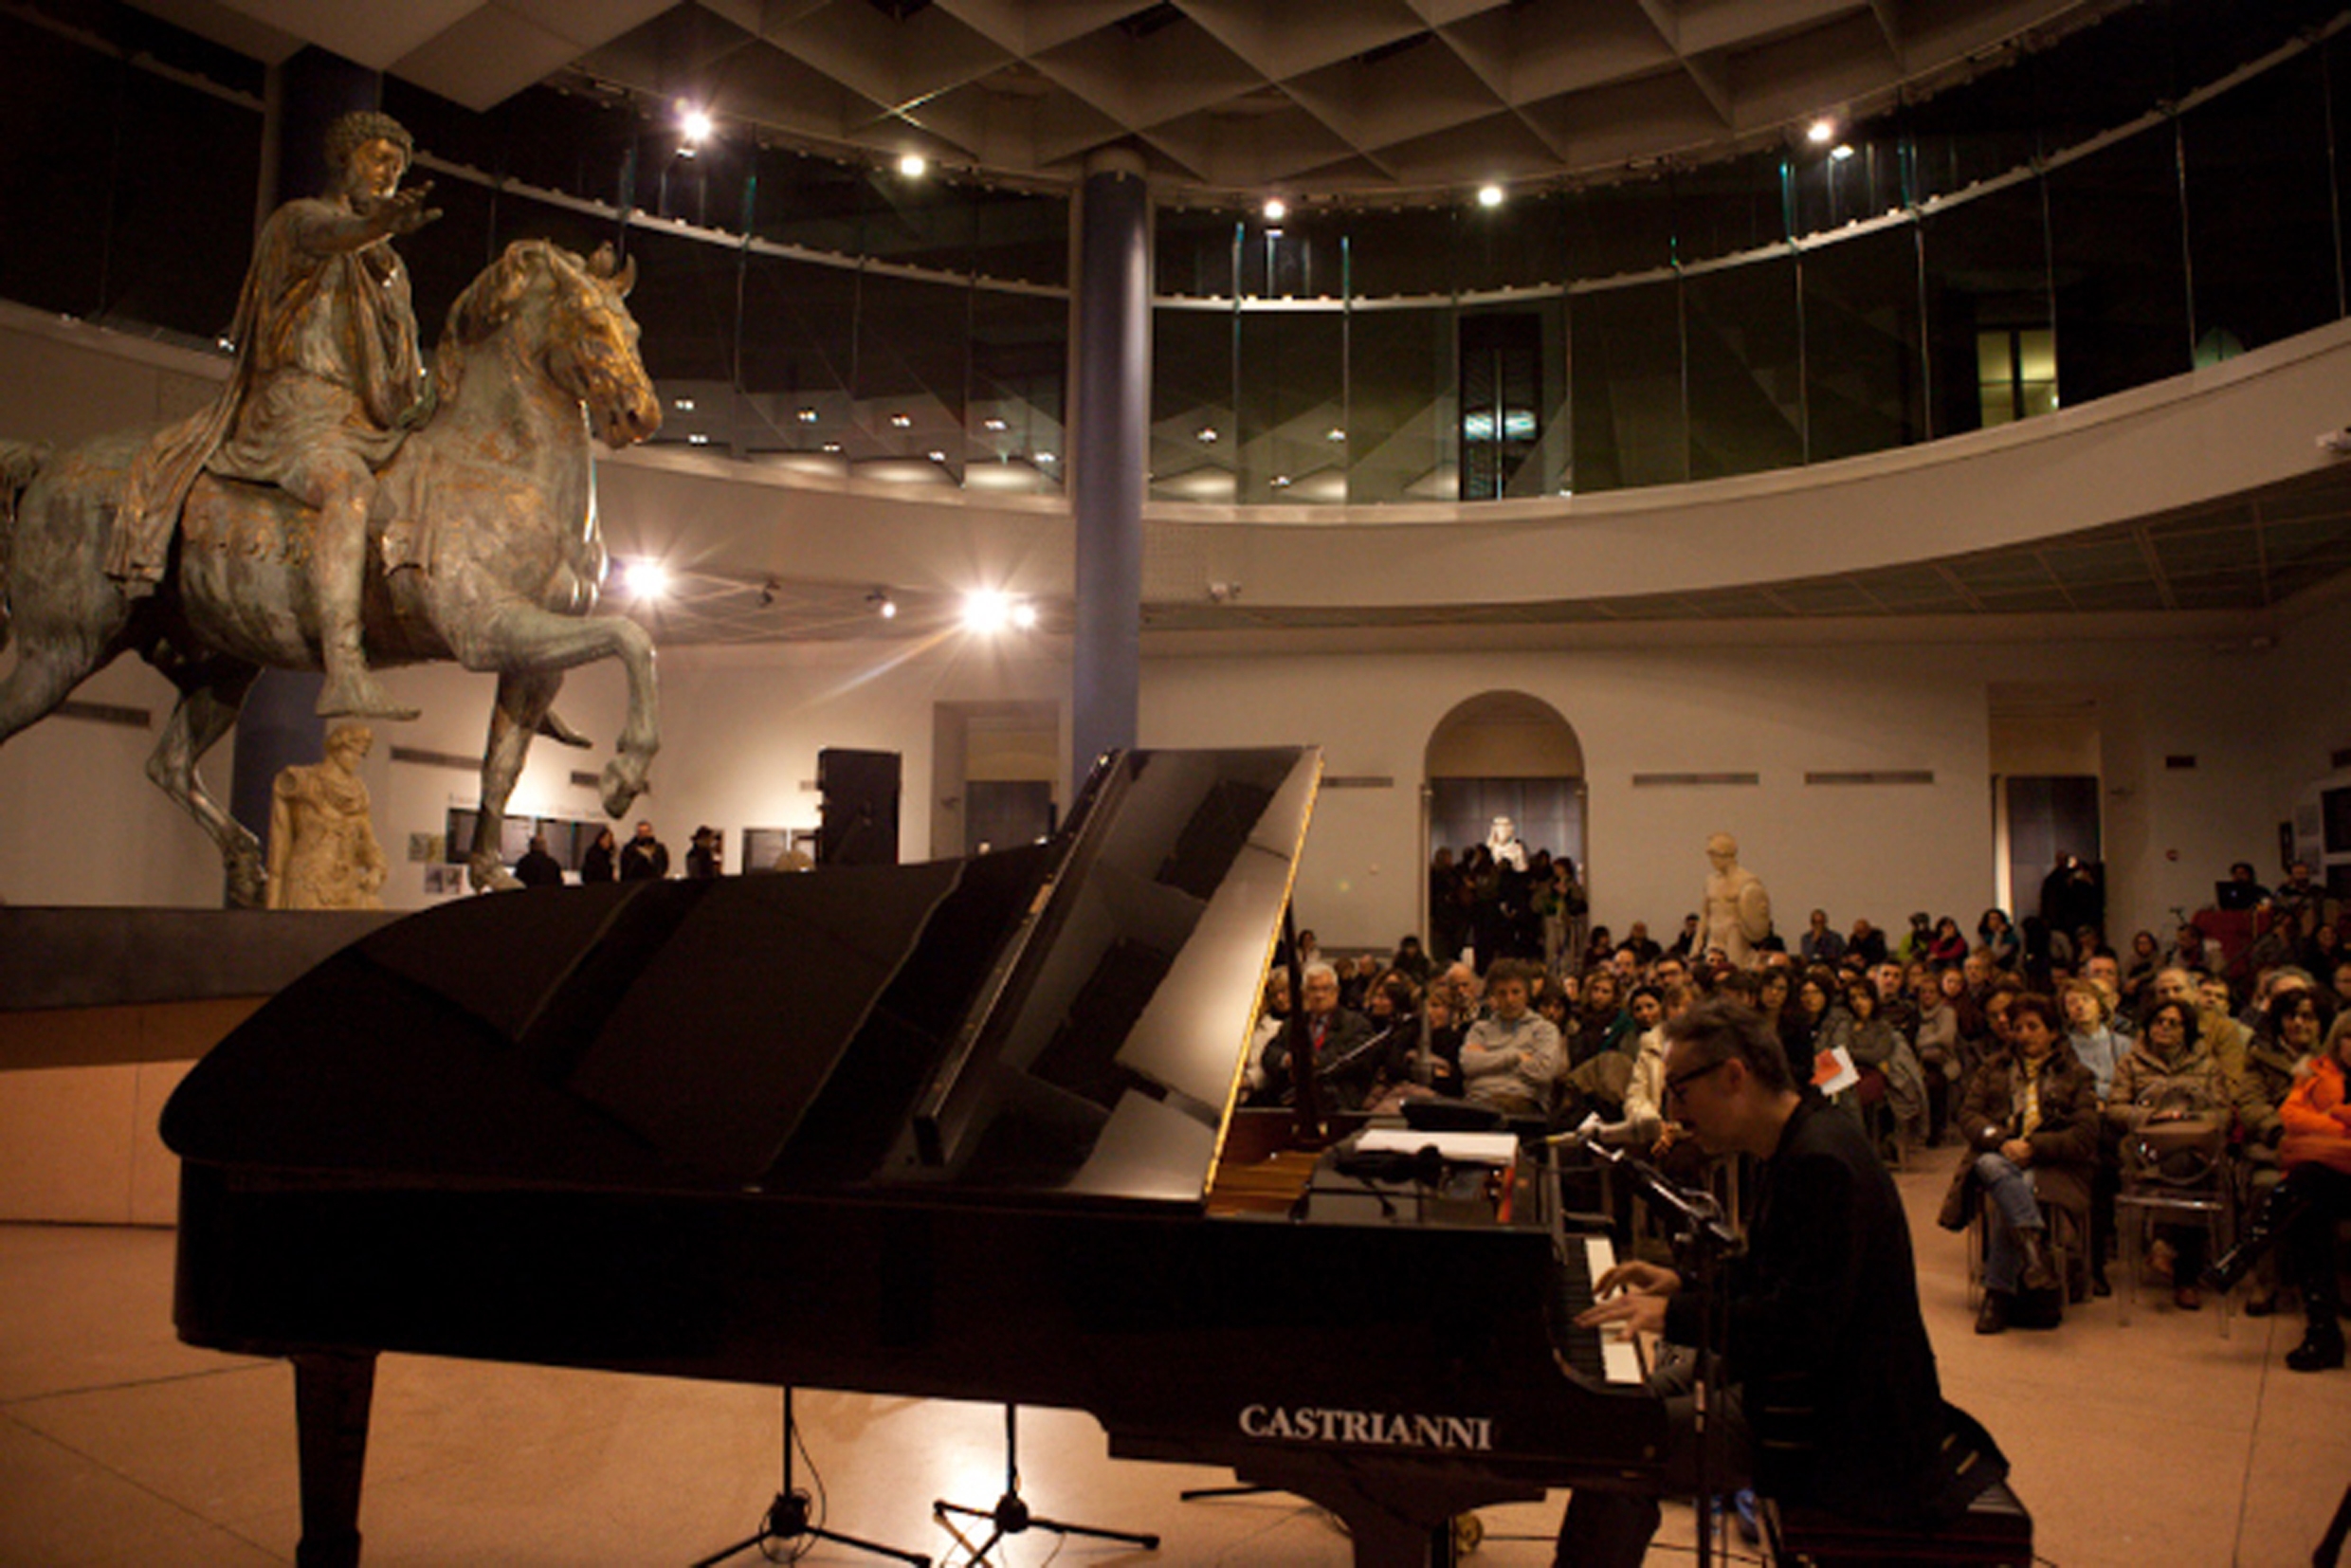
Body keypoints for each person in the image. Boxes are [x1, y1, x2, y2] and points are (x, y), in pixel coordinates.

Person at [1559, 997, 1997, 1566]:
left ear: (1733, 1076)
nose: (1674, 1112)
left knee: (1619, 1446)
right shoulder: (1800, 1139)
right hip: (1805, 1385)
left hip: (1839, 1422)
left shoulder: (1820, 1162)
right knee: (1620, 1412)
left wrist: (1675, 1316)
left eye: (1681, 1092)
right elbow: (1779, 1274)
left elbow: (1798, 1329)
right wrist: (1680, 1282)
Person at [116, 111, 441, 721]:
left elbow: (402, 360)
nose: (388, 175)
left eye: (397, 169)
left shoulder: (388, 267)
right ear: (344, 160)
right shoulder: (300, 221)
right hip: (296, 413)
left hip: (364, 421)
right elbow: (333, 236)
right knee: (347, 488)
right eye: (378, 160)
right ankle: (344, 667)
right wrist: (378, 226)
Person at [1940, 994, 2098, 1333]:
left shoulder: (2077, 1074)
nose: (2024, 1034)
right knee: (1992, 1167)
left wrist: (2034, 1147)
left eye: (2033, 1027)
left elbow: (2084, 1135)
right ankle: (2034, 1256)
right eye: (2018, 1027)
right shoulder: (1993, 1068)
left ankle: (1997, 1294)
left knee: (2013, 1190)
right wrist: (2002, 1141)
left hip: (2053, 1163)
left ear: (2053, 1032)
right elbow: (1969, 1116)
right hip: (1999, 1153)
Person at [2209, 1011, 2351, 1371]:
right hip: (2329, 1176)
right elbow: (2291, 1117)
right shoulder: (2316, 1073)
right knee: (2307, 1210)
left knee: (2303, 1185)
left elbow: (2307, 1130)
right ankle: (2322, 1332)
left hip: (2327, 1173)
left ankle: (2245, 1252)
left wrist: (2332, 1119)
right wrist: (2339, 1129)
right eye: (2348, 1037)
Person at [264, 722, 388, 910]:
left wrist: (376, 869)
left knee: (374, 909)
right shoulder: (304, 781)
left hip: (346, 882)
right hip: (309, 881)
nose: (357, 759)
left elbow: (367, 840)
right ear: (336, 748)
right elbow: (280, 842)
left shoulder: (358, 792)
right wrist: (273, 902)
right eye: (352, 751)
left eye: (361, 754)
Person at [1459, 958, 1561, 1118]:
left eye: (1516, 992)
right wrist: (1516, 1057)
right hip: (1477, 1100)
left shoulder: (1545, 1030)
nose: (1509, 1000)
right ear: (1493, 996)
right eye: (1502, 993)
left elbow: (1543, 1072)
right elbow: (1468, 1064)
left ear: (1527, 994)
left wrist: (1487, 1060)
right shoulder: (1480, 1029)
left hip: (1522, 1102)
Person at [1698, 832, 1772, 970]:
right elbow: (1705, 913)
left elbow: (1756, 912)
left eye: (1713, 856)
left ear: (1725, 855)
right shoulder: (1711, 881)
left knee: (1736, 969)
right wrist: (1697, 942)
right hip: (1714, 934)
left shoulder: (1747, 880)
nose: (1711, 861)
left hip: (1735, 932)